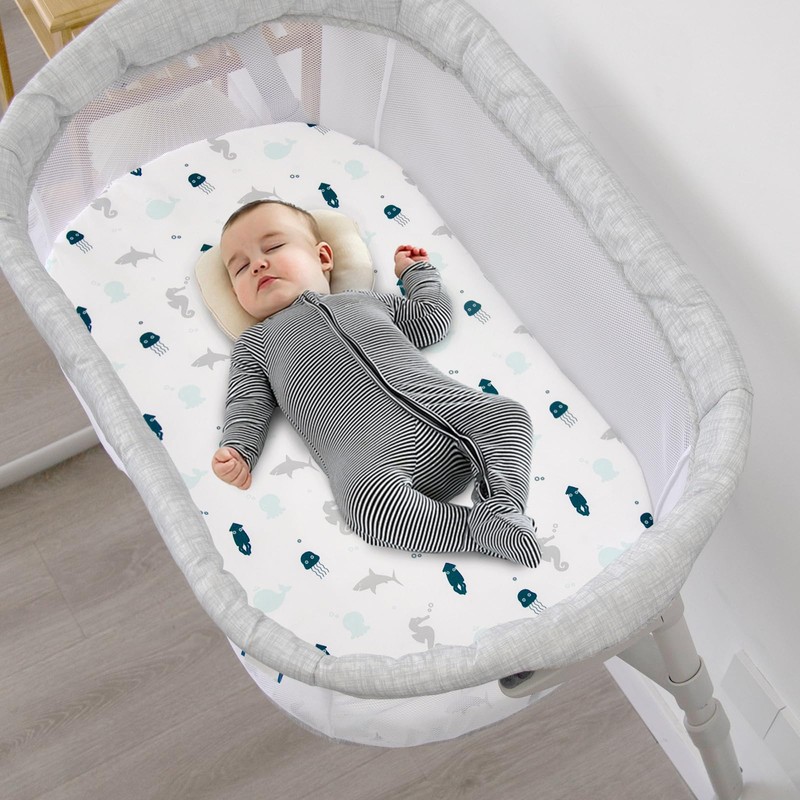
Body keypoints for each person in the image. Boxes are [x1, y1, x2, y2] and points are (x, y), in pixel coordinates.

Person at [211, 199, 541, 568]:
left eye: (273, 247)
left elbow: (430, 321)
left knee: (507, 415)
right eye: (240, 268)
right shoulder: (256, 344)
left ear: (323, 257)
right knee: (365, 506)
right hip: (372, 458)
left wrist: (416, 274)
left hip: (448, 410)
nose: (258, 264)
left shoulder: (364, 301)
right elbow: (247, 403)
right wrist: (238, 449)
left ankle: (503, 505)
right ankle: (478, 530)